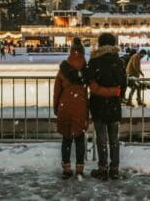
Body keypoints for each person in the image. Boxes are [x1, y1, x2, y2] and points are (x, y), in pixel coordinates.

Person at [86, 33, 127, 180]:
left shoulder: (95, 61)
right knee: (114, 139)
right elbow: (123, 83)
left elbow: (88, 79)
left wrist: (99, 90)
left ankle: (103, 168)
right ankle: (114, 168)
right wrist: (117, 95)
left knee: (101, 138)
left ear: (100, 44)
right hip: (114, 105)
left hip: (98, 104)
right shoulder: (119, 61)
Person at [53, 37, 89, 179]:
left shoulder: (63, 69)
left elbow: (57, 90)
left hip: (65, 105)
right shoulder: (86, 69)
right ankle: (79, 169)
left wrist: (56, 107)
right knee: (79, 138)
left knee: (66, 138)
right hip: (80, 105)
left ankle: (66, 169)